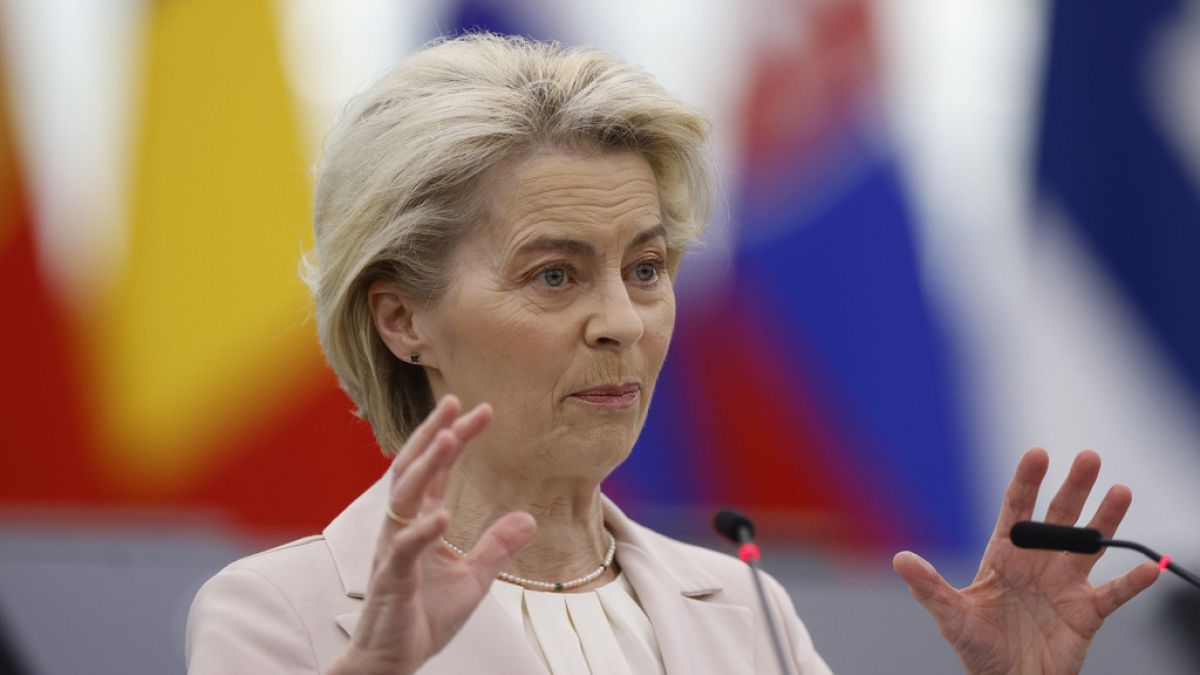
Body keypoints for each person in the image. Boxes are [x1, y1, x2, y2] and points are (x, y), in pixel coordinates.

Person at [184, 33, 1161, 674]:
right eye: (556, 276)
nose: (623, 322)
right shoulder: (285, 615)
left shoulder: (746, 613)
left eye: (646, 270)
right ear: (403, 319)